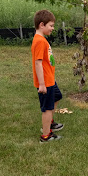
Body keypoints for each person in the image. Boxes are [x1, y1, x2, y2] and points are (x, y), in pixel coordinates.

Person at [31, 9, 64, 142]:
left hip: (50, 80)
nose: (52, 28)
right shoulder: (39, 41)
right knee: (47, 108)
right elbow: (38, 63)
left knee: (57, 96)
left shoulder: (42, 39)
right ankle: (46, 135)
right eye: (51, 25)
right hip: (45, 83)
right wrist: (42, 84)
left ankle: (49, 122)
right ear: (42, 25)